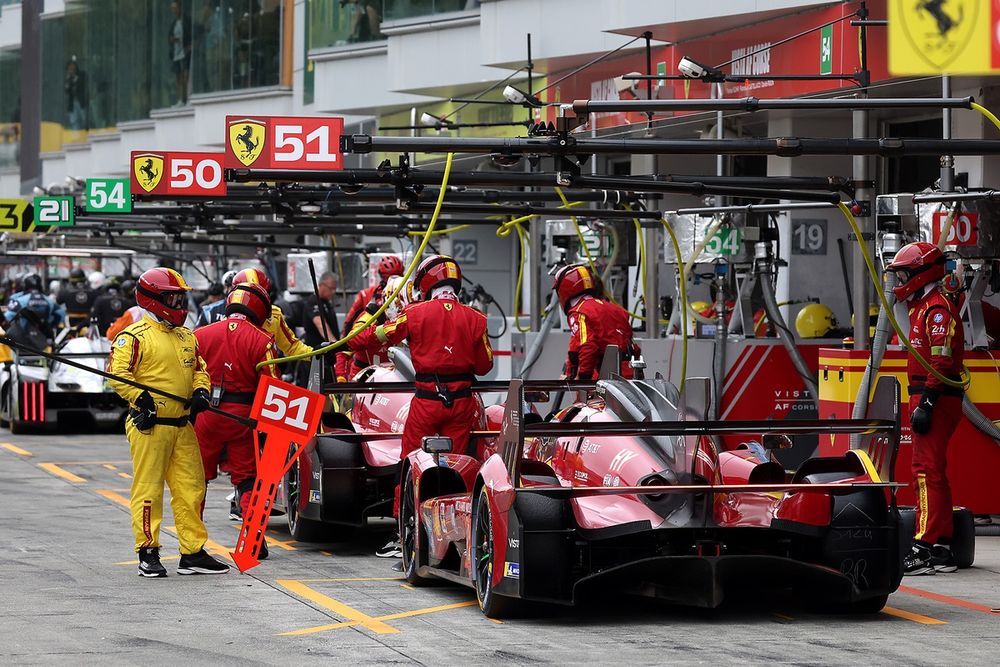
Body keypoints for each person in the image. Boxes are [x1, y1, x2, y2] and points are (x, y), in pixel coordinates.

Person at [349, 255, 493, 558]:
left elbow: (364, 340)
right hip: (462, 404)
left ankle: (404, 536)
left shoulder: (413, 313)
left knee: (410, 466)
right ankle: (460, 536)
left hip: (427, 402)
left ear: (425, 283)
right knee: (458, 466)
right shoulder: (476, 318)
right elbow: (484, 365)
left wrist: (368, 320)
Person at [107, 267, 228, 578]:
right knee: (148, 490)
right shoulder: (133, 337)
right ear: (151, 300)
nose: (178, 304)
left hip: (182, 425)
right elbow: (118, 374)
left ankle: (192, 553)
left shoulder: (187, 337)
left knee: (192, 488)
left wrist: (201, 391)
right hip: (150, 425)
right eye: (172, 298)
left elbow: (200, 369)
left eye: (180, 297)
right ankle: (148, 551)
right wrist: (140, 397)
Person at [886, 242, 965, 576]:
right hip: (928, 395)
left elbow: (943, 359)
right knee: (934, 471)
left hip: (934, 396)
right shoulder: (923, 304)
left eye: (904, 273)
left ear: (921, 273)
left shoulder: (936, 309)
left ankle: (923, 547)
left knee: (924, 470)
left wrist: (928, 403)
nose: (900, 279)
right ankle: (943, 547)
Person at [194, 281, 278, 558]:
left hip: (206, 416)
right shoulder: (263, 341)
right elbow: (273, 389)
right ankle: (254, 540)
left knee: (196, 481)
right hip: (244, 419)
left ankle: (192, 544)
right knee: (247, 481)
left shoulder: (200, 335)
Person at [552, 263, 640, 380]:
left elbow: (587, 346)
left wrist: (582, 379)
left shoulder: (578, 312)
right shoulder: (615, 309)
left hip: (605, 379)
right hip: (631, 377)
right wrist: (571, 372)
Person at [338, 275, 411, 381]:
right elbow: (347, 345)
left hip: (397, 378)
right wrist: (341, 378)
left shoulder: (412, 318)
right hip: (365, 378)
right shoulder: (371, 316)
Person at [344, 255, 404, 335]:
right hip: (372, 338)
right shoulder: (366, 294)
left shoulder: (406, 292)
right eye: (389, 278)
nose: (392, 281)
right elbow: (349, 320)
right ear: (382, 276)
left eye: (397, 277)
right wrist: (344, 340)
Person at [4, 273, 65, 340]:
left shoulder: (20, 300)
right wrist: (51, 324)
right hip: (44, 339)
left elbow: (7, 317)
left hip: (23, 341)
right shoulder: (49, 301)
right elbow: (61, 314)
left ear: (25, 285)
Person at [302, 271, 341, 348]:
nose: (333, 292)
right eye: (331, 288)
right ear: (321, 285)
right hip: (317, 350)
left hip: (328, 350)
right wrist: (335, 345)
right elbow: (320, 324)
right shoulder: (313, 301)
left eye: (335, 289)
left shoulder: (327, 303)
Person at [168, 1, 190, 106]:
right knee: (178, 77)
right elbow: (169, 37)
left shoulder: (186, 20)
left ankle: (187, 98)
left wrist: (189, 46)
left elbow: (191, 34)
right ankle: (180, 99)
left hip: (184, 52)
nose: (174, 11)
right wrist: (172, 40)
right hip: (176, 53)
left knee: (185, 76)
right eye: (172, 8)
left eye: (175, 8)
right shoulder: (174, 23)